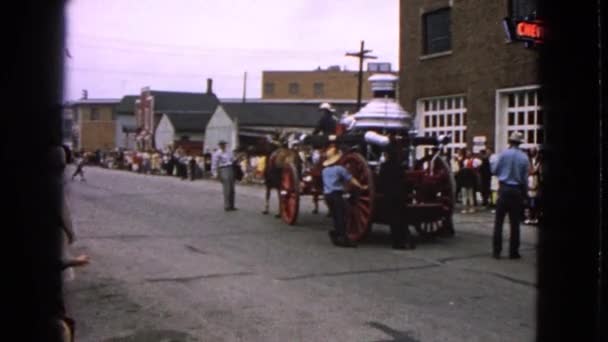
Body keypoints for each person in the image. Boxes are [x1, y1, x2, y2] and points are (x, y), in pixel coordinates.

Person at [491, 131, 530, 259]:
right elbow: (525, 179)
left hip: (504, 189)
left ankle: (497, 251)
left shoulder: (503, 154)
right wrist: (525, 194)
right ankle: (513, 252)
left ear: (510, 141)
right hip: (517, 191)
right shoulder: (524, 158)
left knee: (499, 222)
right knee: (515, 223)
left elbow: (495, 170)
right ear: (520, 143)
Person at [321, 144, 367, 247]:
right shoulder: (340, 169)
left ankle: (336, 234)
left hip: (328, 195)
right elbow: (351, 179)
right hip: (336, 195)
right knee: (342, 215)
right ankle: (343, 238)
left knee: (335, 216)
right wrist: (361, 186)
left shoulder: (324, 171)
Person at [379, 145, 415, 250]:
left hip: (390, 196)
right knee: (403, 219)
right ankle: (407, 239)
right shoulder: (400, 166)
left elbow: (381, 181)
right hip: (401, 195)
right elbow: (404, 180)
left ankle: (397, 242)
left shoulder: (384, 166)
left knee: (394, 220)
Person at [212, 140, 237, 211]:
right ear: (219, 145)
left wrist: (236, 159)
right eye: (222, 145)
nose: (223, 146)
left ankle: (232, 205)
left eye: (224, 144)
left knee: (232, 188)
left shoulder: (229, 152)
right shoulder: (217, 153)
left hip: (230, 168)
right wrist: (215, 173)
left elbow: (232, 159)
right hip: (223, 169)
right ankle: (227, 205)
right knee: (227, 188)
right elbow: (214, 164)